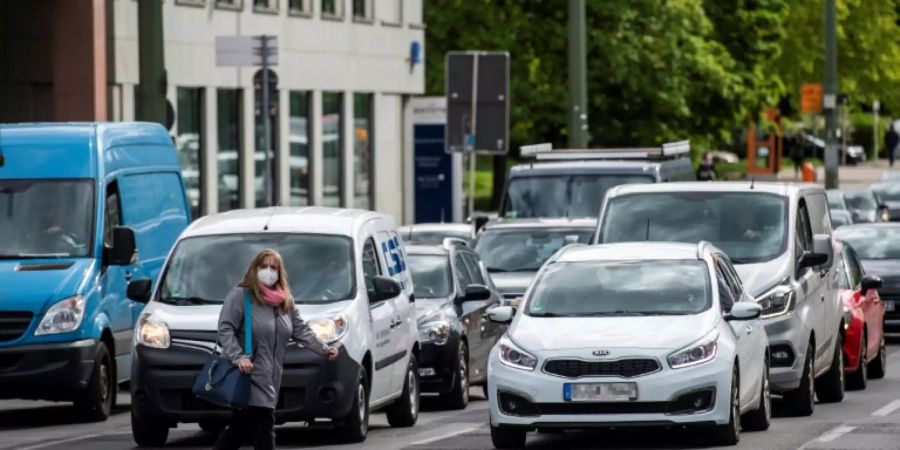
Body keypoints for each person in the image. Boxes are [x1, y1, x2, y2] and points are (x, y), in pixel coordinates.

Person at [214, 249, 339, 450]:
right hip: (247, 374)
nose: (268, 271)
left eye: (274, 267)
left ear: (280, 272)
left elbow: (301, 330)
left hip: (271, 378)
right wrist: (238, 357)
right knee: (264, 427)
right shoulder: (242, 295)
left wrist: (324, 349)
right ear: (254, 269)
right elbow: (225, 328)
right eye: (264, 266)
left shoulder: (284, 301)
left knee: (238, 430)